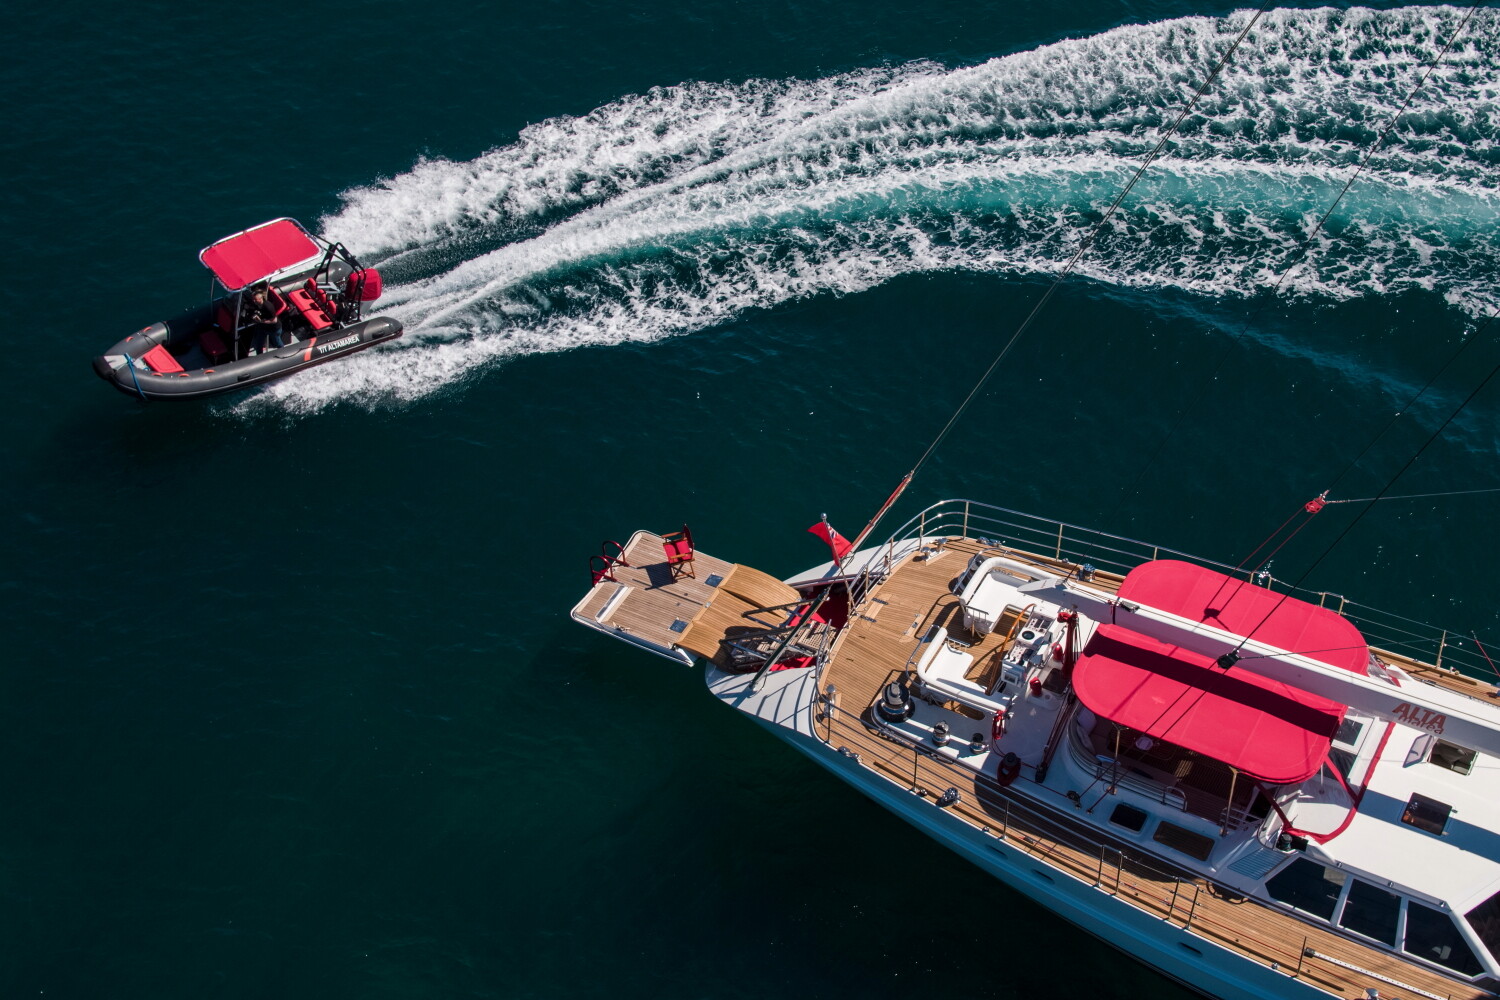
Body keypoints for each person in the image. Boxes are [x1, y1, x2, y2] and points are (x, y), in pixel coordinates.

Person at [242, 282, 285, 355]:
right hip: (262, 327)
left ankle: (284, 353)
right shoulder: (255, 304)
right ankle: (260, 356)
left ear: (260, 299)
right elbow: (253, 311)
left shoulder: (268, 306)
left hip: (273, 328)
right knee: (258, 344)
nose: (254, 301)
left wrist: (261, 321)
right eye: (253, 299)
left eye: (255, 299)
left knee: (277, 343)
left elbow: (274, 320)